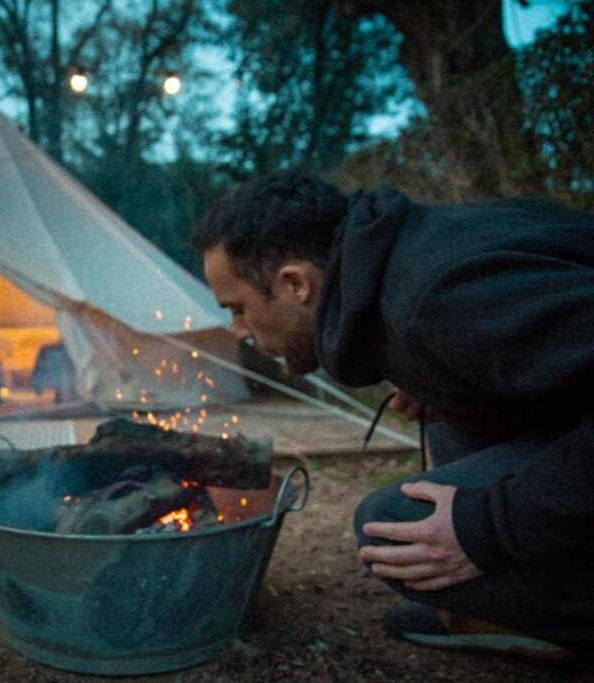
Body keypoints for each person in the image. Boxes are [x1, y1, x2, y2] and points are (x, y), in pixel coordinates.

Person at [191, 170, 594, 659]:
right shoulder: (409, 258)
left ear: (295, 283)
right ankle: (511, 609)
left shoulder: (444, 294)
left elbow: (477, 306)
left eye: (238, 308)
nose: (237, 331)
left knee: (392, 525)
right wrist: (445, 378)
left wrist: (490, 527)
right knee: (450, 429)